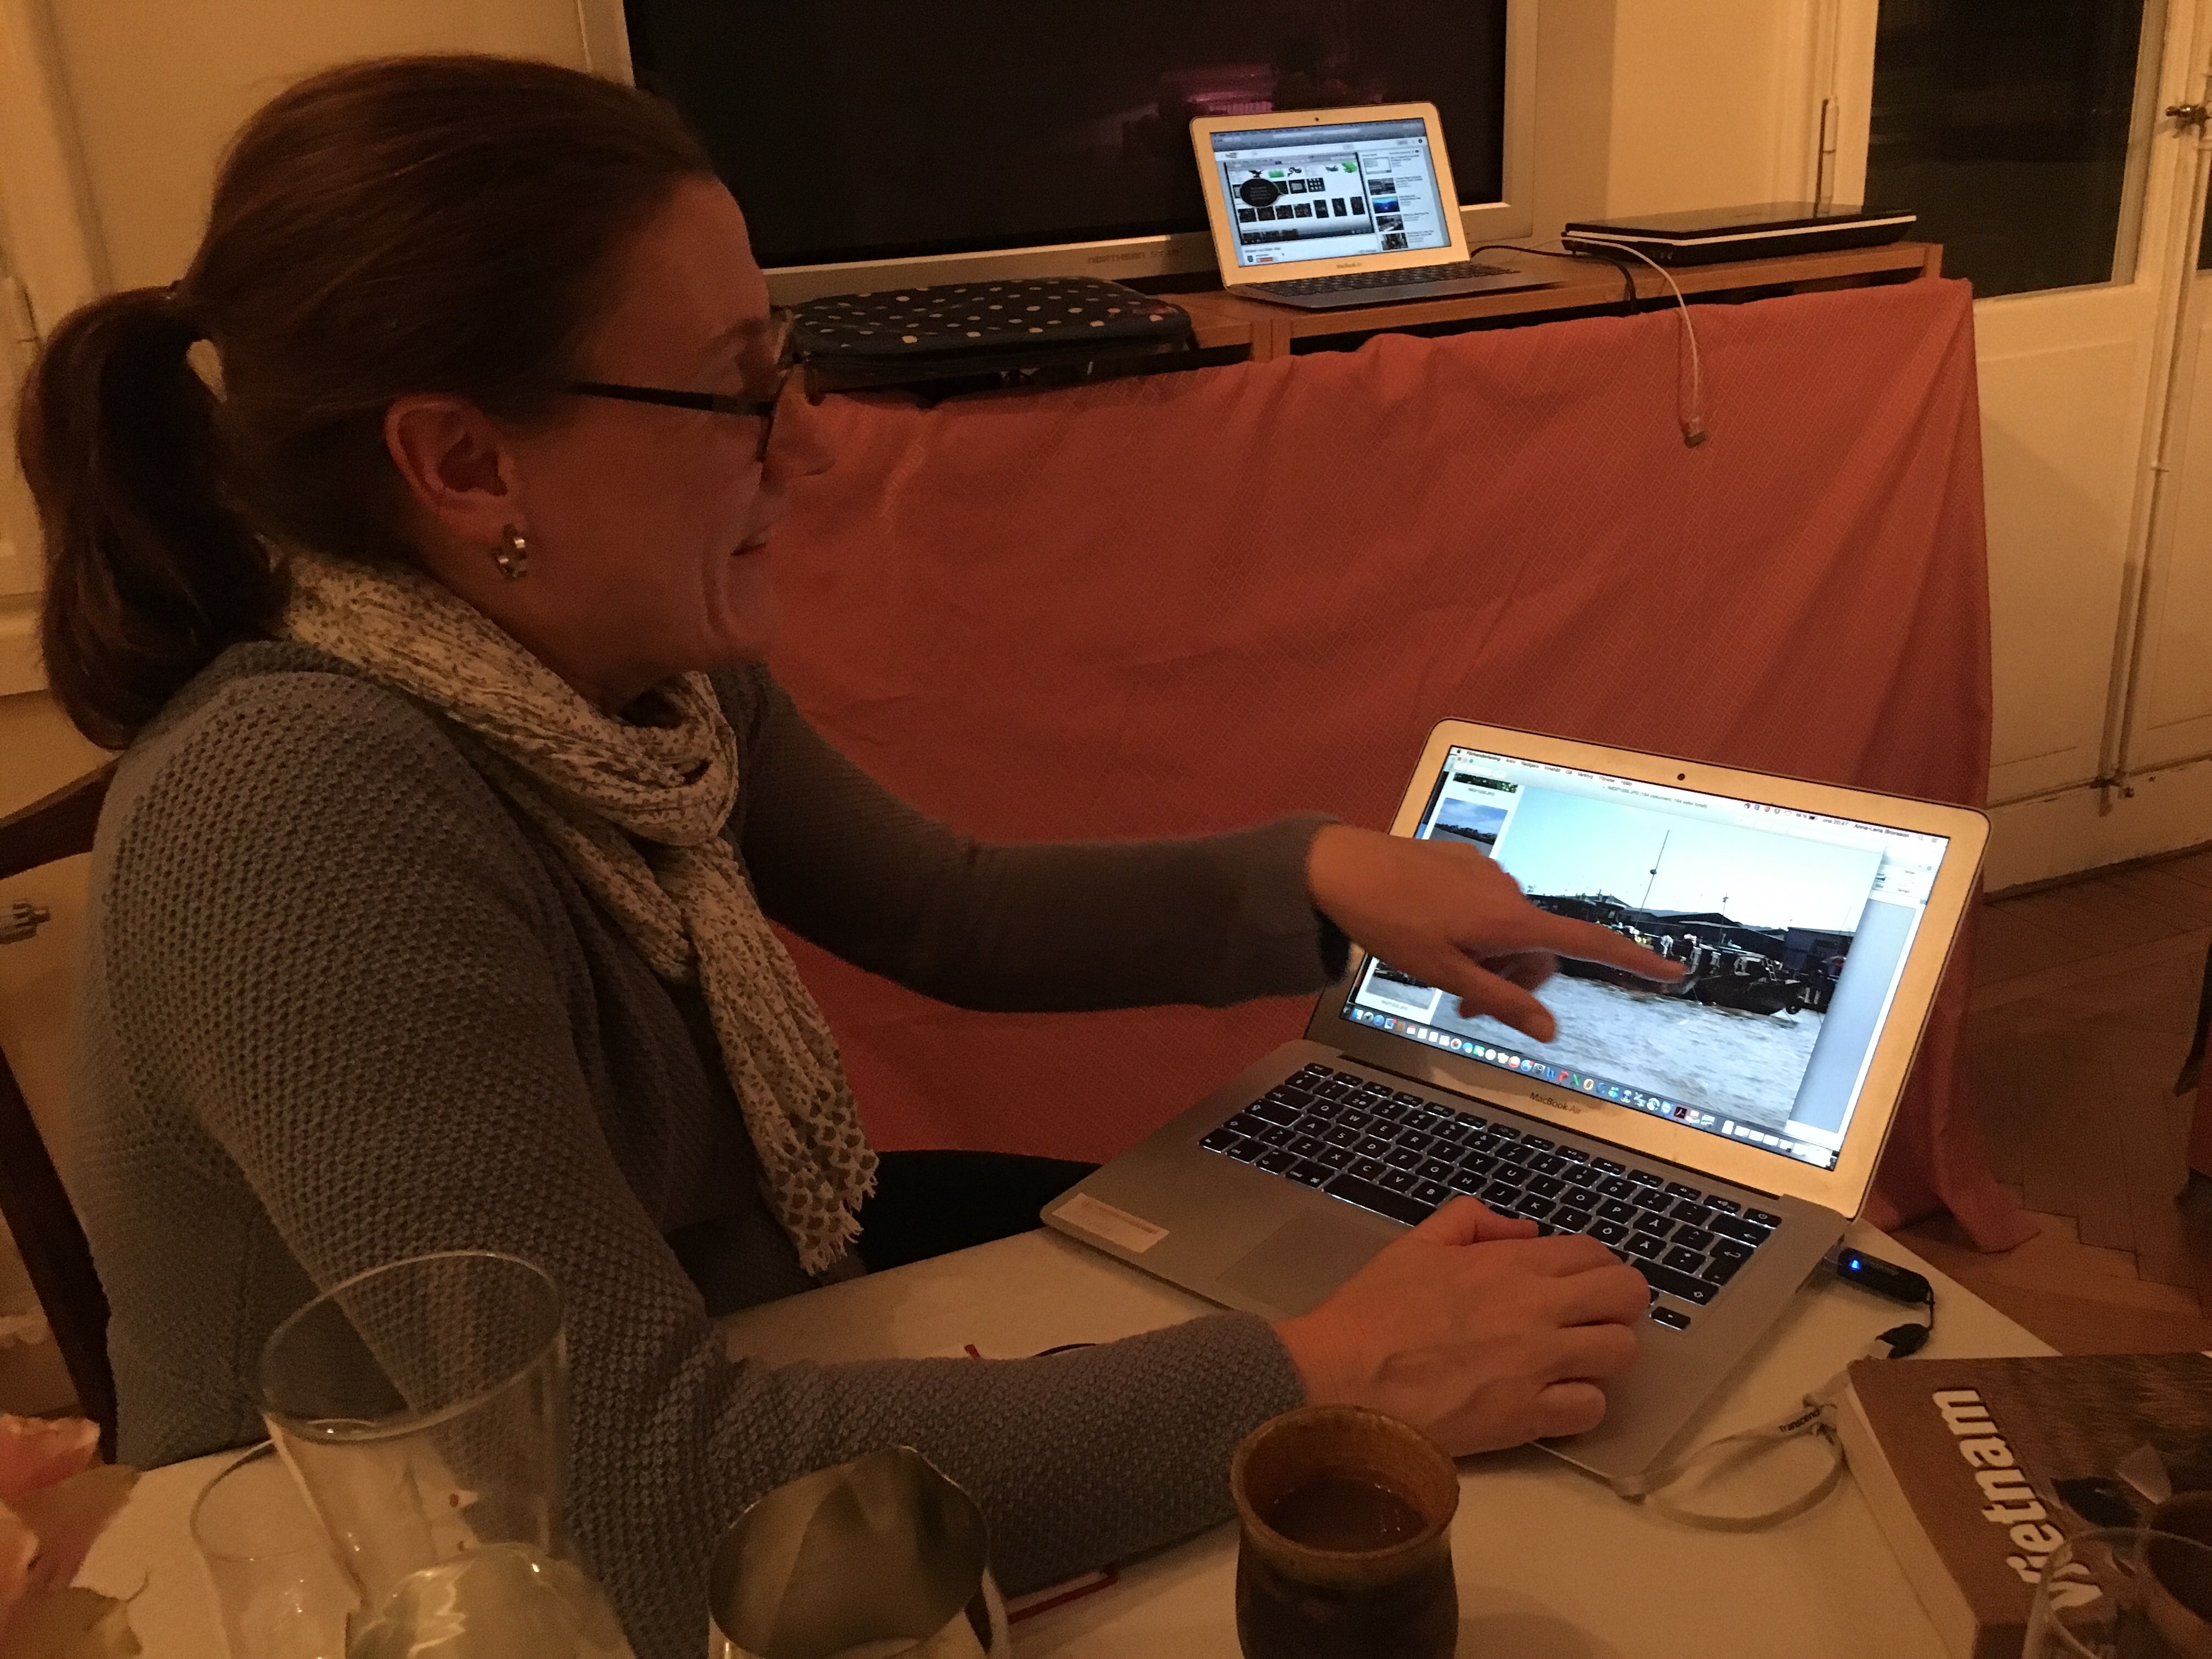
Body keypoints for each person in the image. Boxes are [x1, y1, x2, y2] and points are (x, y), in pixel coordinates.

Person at [22, 55, 1681, 1659]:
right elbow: (649, 1507)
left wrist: (1320, 874)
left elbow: (948, 911)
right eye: (739, 389)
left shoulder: (632, 675)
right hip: (385, 1581)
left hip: (731, 1336)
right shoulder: (298, 812)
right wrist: (1324, 1378)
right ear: (464, 464)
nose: (809, 442)